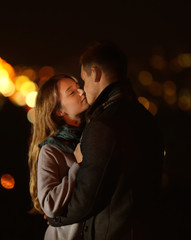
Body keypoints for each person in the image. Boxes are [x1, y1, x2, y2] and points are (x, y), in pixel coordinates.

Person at [47, 41, 164, 239]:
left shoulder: (104, 125)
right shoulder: (146, 118)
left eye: (84, 81)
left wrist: (55, 218)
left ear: (96, 73)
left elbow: (87, 196)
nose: (84, 90)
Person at [28, 74, 89, 239]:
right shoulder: (51, 150)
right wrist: (77, 164)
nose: (82, 92)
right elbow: (49, 204)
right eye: (72, 92)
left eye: (78, 87)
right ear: (59, 111)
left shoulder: (90, 134)